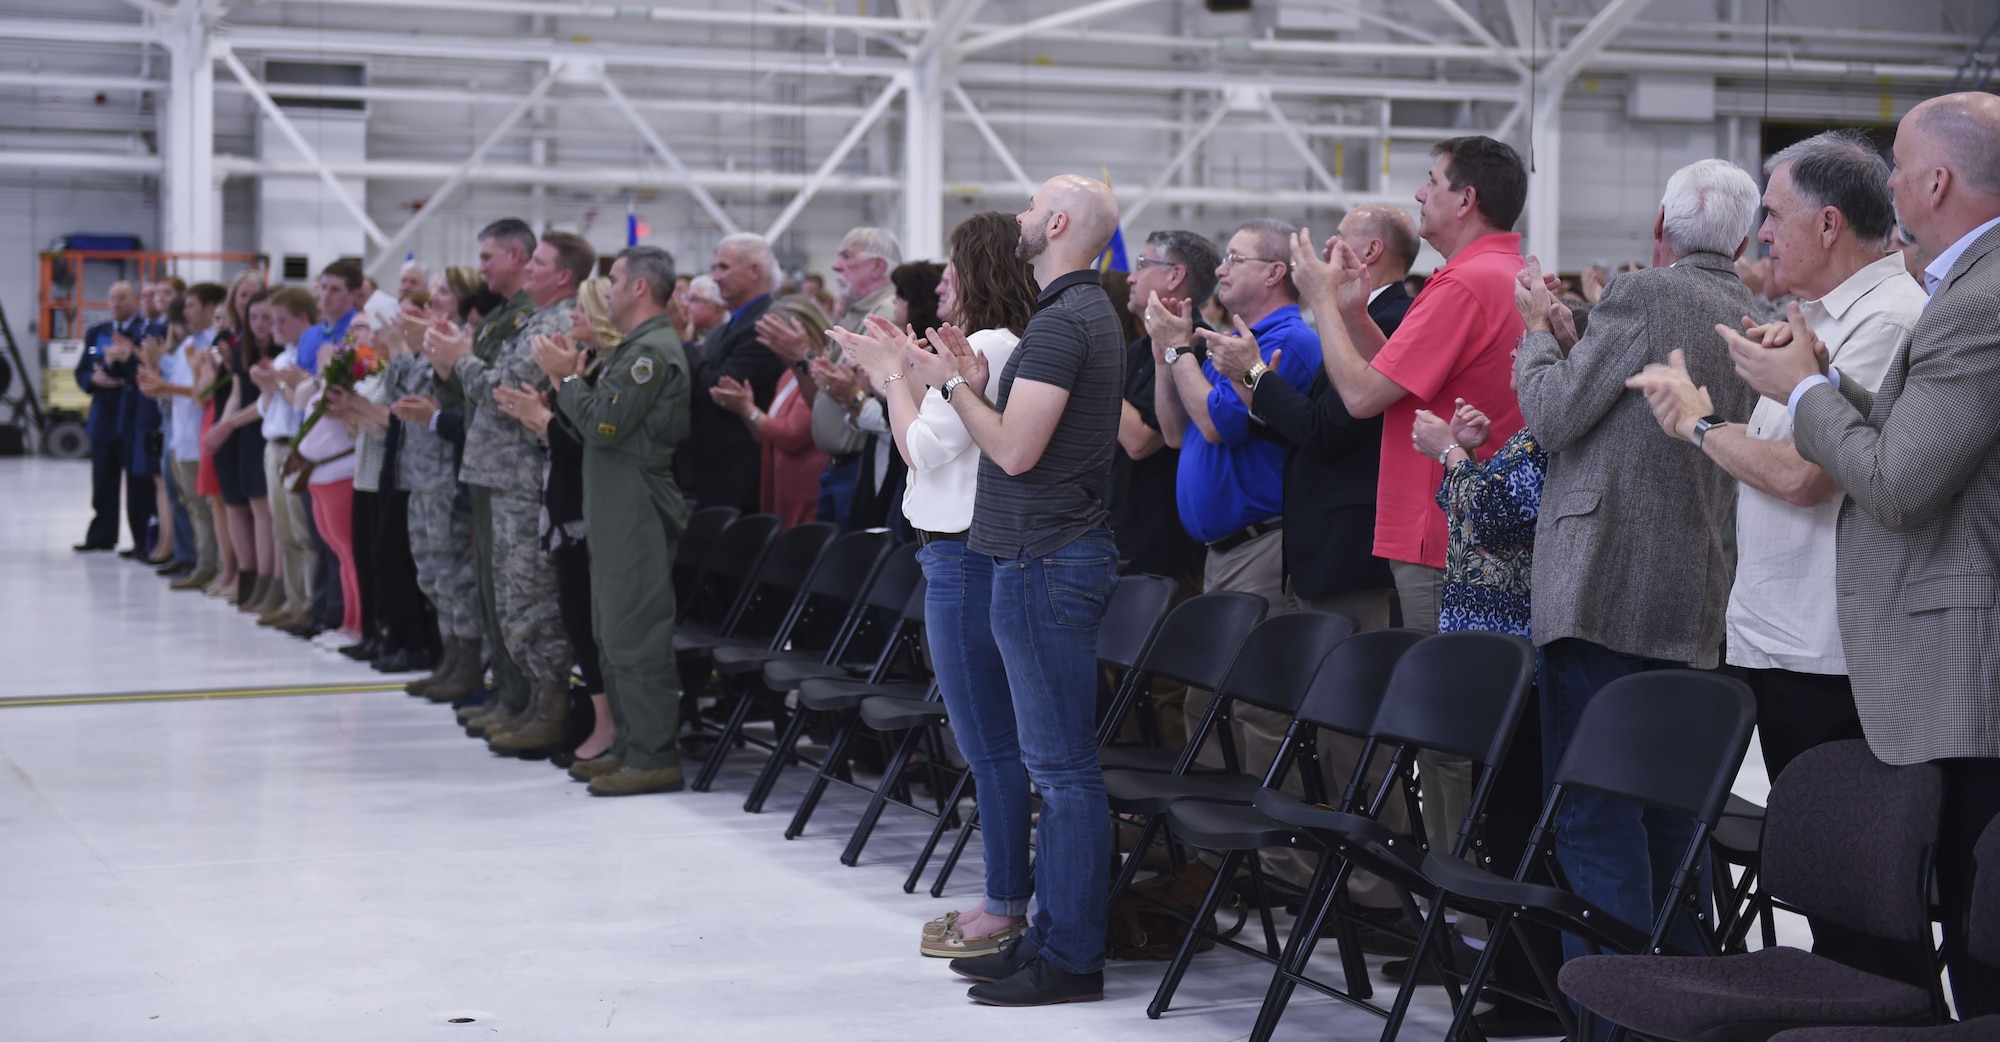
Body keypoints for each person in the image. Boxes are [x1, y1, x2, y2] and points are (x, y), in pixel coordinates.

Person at [1724, 91, 2000, 1016]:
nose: (1888, 183)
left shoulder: (1974, 300)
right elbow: (1916, 432)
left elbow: (1896, 482)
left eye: (1898, 165)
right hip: (1902, 644)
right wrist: (1821, 379)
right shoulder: (1961, 289)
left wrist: (1804, 394)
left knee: (1972, 926)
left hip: (1956, 653)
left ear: (1934, 180)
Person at [1512, 157, 1763, 969]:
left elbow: (1554, 418)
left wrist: (1530, 337)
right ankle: (1680, 1003)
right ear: (1747, 237)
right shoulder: (1746, 309)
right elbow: (1626, 401)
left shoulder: (1643, 292)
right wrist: (1570, 342)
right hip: (1688, 584)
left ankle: (1612, 1014)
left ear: (1660, 230)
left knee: (1592, 810)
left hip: (1602, 582)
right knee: (1661, 813)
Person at [1627, 132, 1924, 784]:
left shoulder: (1888, 321)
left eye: (1771, 214)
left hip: (1823, 654)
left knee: (1828, 865)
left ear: (1827, 224)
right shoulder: (1824, 320)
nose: (1761, 234)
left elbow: (1801, 477)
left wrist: (1698, 424)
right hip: (1777, 635)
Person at [902, 174, 1125, 1006]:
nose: (1023, 219)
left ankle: (1068, 955)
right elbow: (1028, 432)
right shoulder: (1072, 315)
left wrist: (957, 387)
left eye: (1033, 209)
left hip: (1045, 556)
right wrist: (972, 377)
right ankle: (1051, 938)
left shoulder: (1067, 320)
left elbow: (1016, 452)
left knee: (1063, 772)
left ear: (1058, 222)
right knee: (1053, 766)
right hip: (1042, 554)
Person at [1296, 135, 1529, 880]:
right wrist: (1356, 311)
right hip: (1468, 525)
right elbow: (1403, 376)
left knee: (1445, 730)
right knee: (1456, 724)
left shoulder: (1464, 285)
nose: (1419, 194)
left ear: (1467, 200)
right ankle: (1460, 906)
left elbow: (1362, 396)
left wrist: (1320, 307)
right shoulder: (1489, 273)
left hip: (1445, 530)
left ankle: (1455, 911)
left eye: (1431, 182)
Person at [830, 210, 1037, 961]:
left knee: (987, 742)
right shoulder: (992, 345)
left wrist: (891, 378)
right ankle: (1004, 895)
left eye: (950, 271)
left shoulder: (988, 347)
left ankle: (1004, 903)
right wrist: (906, 371)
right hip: (960, 552)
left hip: (964, 553)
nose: (939, 284)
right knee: (988, 739)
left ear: (979, 274)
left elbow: (920, 448)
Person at [540, 245, 694, 797]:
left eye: (613, 280)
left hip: (637, 506)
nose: (605, 289)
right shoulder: (633, 348)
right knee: (611, 632)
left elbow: (605, 426)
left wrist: (566, 381)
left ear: (638, 289)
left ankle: (654, 754)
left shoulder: (650, 352)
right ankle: (630, 746)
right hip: (612, 505)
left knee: (635, 634)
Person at [428, 228, 590, 752]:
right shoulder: (537, 320)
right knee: (509, 594)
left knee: (530, 596)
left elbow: (504, 392)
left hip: (525, 477)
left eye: (540, 264)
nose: (531, 271)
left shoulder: (559, 322)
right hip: (504, 475)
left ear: (563, 275)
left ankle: (548, 707)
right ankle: (524, 701)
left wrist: (460, 358)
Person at [488, 277, 617, 762]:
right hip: (568, 506)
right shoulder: (593, 365)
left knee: (587, 625)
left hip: (587, 513)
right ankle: (599, 722)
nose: (572, 320)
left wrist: (545, 413)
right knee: (578, 622)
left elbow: (588, 441)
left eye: (581, 312)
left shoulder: (602, 369)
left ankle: (607, 726)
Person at [433, 220, 539, 731]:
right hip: (487, 464)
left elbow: (501, 390)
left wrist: (460, 360)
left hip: (514, 469)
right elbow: (468, 392)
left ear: (516, 255)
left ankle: (522, 697)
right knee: (491, 587)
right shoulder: (501, 317)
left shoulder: (529, 319)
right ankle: (505, 691)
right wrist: (446, 361)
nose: (481, 269)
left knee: (516, 592)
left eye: (488, 257)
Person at [761, 227, 901, 529]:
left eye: (846, 257)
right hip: (838, 466)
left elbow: (858, 390)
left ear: (877, 266)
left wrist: (806, 358)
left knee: (852, 566)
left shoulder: (884, 314)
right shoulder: (854, 313)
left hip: (859, 464)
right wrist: (800, 360)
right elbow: (828, 393)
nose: (836, 266)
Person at [389, 270, 485, 704]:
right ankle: (450, 657)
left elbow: (465, 406)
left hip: (448, 474)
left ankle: (469, 663)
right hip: (418, 472)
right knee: (430, 575)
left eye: (444, 291)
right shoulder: (428, 345)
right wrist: (405, 347)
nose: (433, 297)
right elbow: (396, 393)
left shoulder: (465, 344)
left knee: (455, 576)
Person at [1108, 231, 1215, 589]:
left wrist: (1090, 368)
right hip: (1124, 531)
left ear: (1175, 275)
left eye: (1142, 264)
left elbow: (1141, 441)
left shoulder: (1200, 345)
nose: (1131, 276)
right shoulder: (1140, 349)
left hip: (1161, 545)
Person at [682, 232, 785, 513]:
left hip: (739, 476)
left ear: (754, 270)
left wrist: (686, 343)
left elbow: (717, 388)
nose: (715, 277)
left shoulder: (764, 324)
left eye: (723, 267)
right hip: (717, 470)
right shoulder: (734, 323)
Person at [711, 297, 832, 528]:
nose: (770, 344)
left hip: (807, 492)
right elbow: (765, 436)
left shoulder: (820, 371)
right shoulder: (788, 374)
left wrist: (747, 409)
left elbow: (792, 436)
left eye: (777, 335)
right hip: (783, 487)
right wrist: (746, 409)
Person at [142, 282, 228, 592]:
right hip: (181, 434)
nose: (186, 312)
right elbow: (177, 386)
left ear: (210, 308)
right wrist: (156, 385)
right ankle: (195, 558)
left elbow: (200, 393)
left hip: (197, 434)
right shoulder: (187, 344)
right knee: (191, 504)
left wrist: (165, 388)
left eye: (192, 306)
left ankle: (209, 564)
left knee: (204, 506)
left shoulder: (211, 345)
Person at [251, 288, 322, 632]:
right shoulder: (282, 360)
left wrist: (281, 387)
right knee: (283, 530)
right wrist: (267, 387)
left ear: (303, 320)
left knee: (300, 528)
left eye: (281, 321)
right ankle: (293, 600)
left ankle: (310, 602)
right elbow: (269, 409)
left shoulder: (306, 359)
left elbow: (301, 406)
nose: (273, 327)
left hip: (295, 445)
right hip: (273, 445)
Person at [211, 281, 278, 614]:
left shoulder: (281, 351)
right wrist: (222, 428)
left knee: (265, 511)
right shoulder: (242, 348)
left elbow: (269, 401)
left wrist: (229, 424)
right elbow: (238, 392)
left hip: (265, 429)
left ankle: (267, 583)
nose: (260, 324)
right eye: (254, 317)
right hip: (245, 433)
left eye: (267, 317)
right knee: (247, 505)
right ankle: (247, 577)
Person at [74, 282, 147, 552]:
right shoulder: (98, 332)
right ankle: (101, 536)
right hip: (104, 417)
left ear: (136, 301)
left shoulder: (144, 332)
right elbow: (82, 369)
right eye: (112, 298)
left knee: (139, 484)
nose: (116, 303)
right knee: (103, 480)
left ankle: (143, 540)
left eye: (122, 298)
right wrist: (92, 378)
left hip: (131, 417)